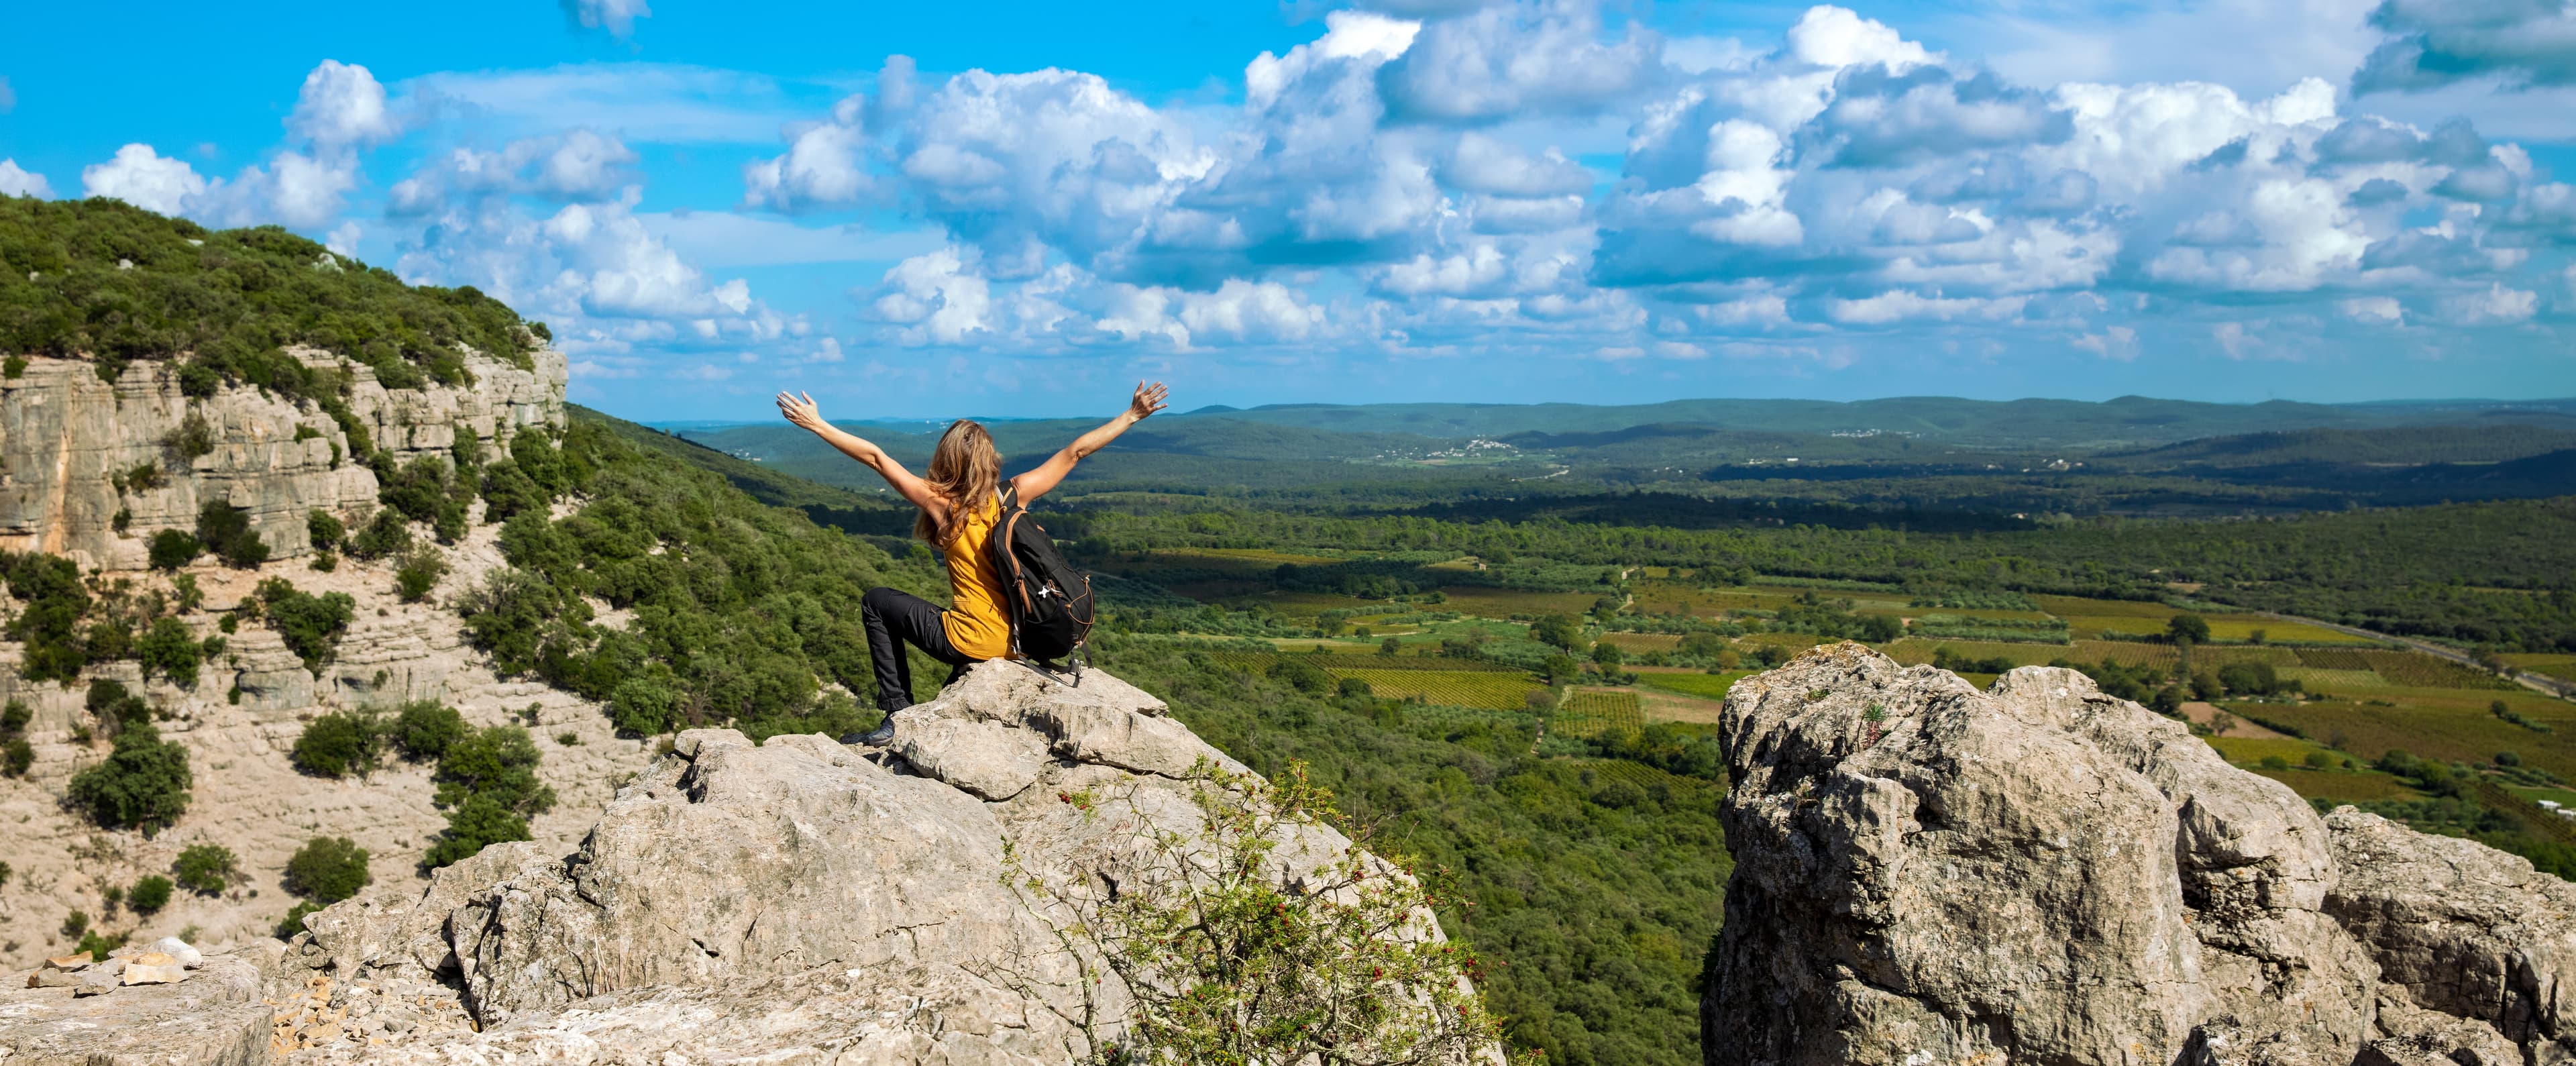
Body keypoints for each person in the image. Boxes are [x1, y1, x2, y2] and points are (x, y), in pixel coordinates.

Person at [775, 382, 1169, 734]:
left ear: (946, 461)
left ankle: (896, 712)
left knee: (876, 602)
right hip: (1015, 644)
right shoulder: (1011, 496)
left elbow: (877, 458)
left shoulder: (944, 506)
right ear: (988, 461)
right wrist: (1132, 415)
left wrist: (818, 425)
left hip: (964, 641)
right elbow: (1075, 453)